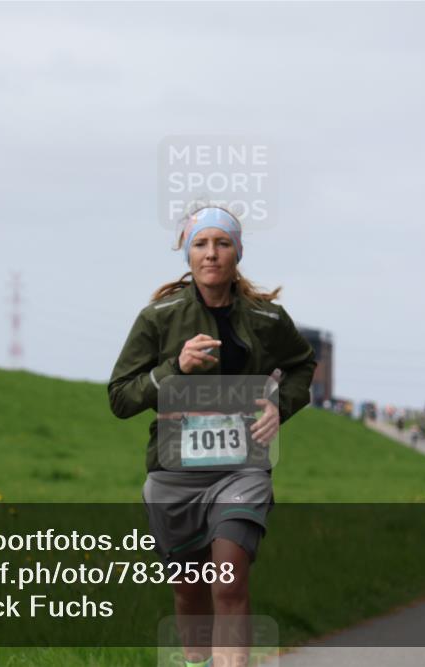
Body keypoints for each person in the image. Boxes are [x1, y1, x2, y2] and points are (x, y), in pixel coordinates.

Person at [108, 205, 316, 667]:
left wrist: (278, 406)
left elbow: (303, 365)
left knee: (229, 581)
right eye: (200, 244)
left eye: (222, 243)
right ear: (187, 253)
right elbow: (120, 397)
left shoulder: (267, 319)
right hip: (175, 475)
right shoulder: (158, 318)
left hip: (242, 469)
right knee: (189, 591)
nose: (211, 254)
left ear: (237, 252)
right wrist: (174, 368)